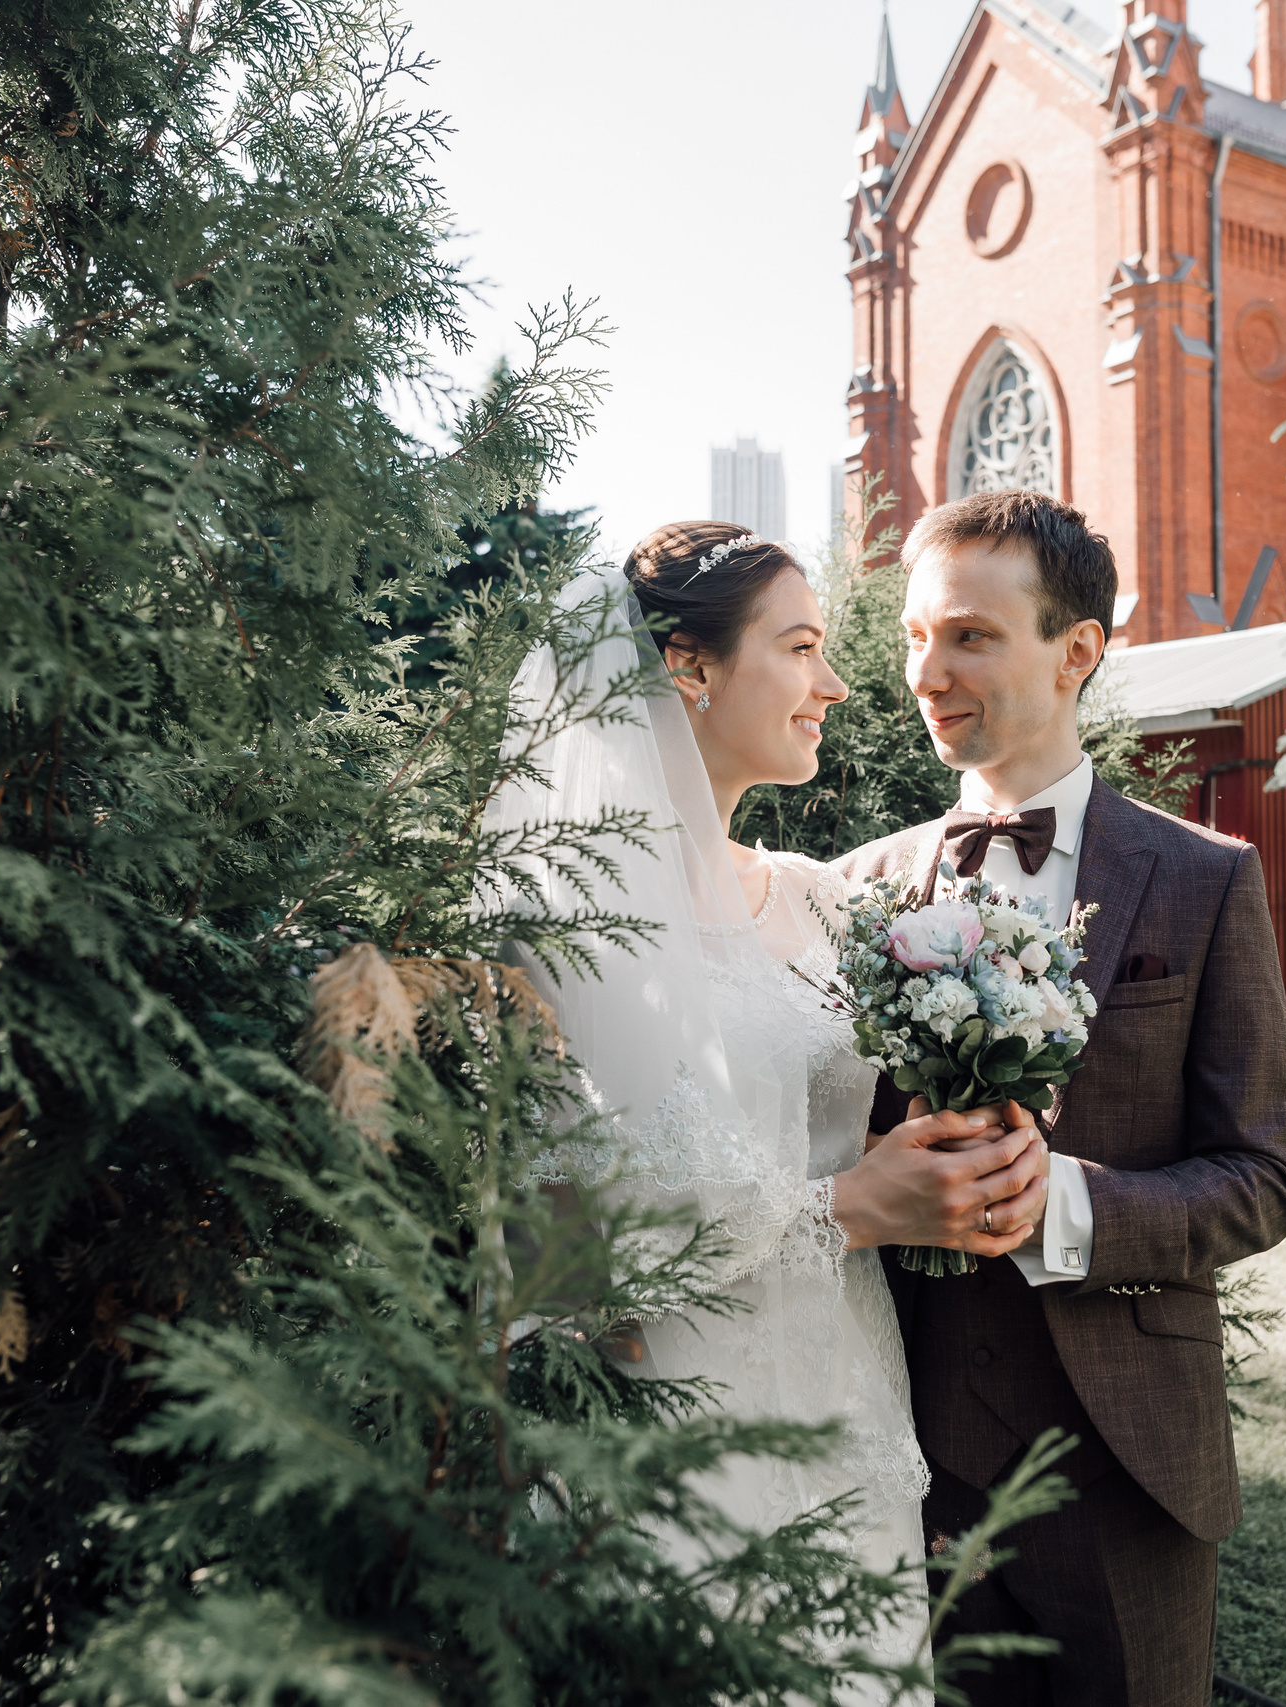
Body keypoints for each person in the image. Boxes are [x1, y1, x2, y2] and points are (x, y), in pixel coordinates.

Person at [492, 522, 1054, 1695]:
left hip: (850, 1423)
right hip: (664, 1441)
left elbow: (873, 1110)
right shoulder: (552, 921)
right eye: (800, 647)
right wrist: (840, 1208)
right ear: (686, 668)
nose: (837, 684)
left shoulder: (816, 901)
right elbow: (545, 1254)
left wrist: (974, 1133)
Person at [837, 490, 1286, 1707]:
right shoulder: (851, 893)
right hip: (904, 1460)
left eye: (970, 637)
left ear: (1077, 649)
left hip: (1126, 1465)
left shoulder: (1205, 881)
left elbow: (1263, 1180)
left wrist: (1071, 1207)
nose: (925, 673)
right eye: (912, 637)